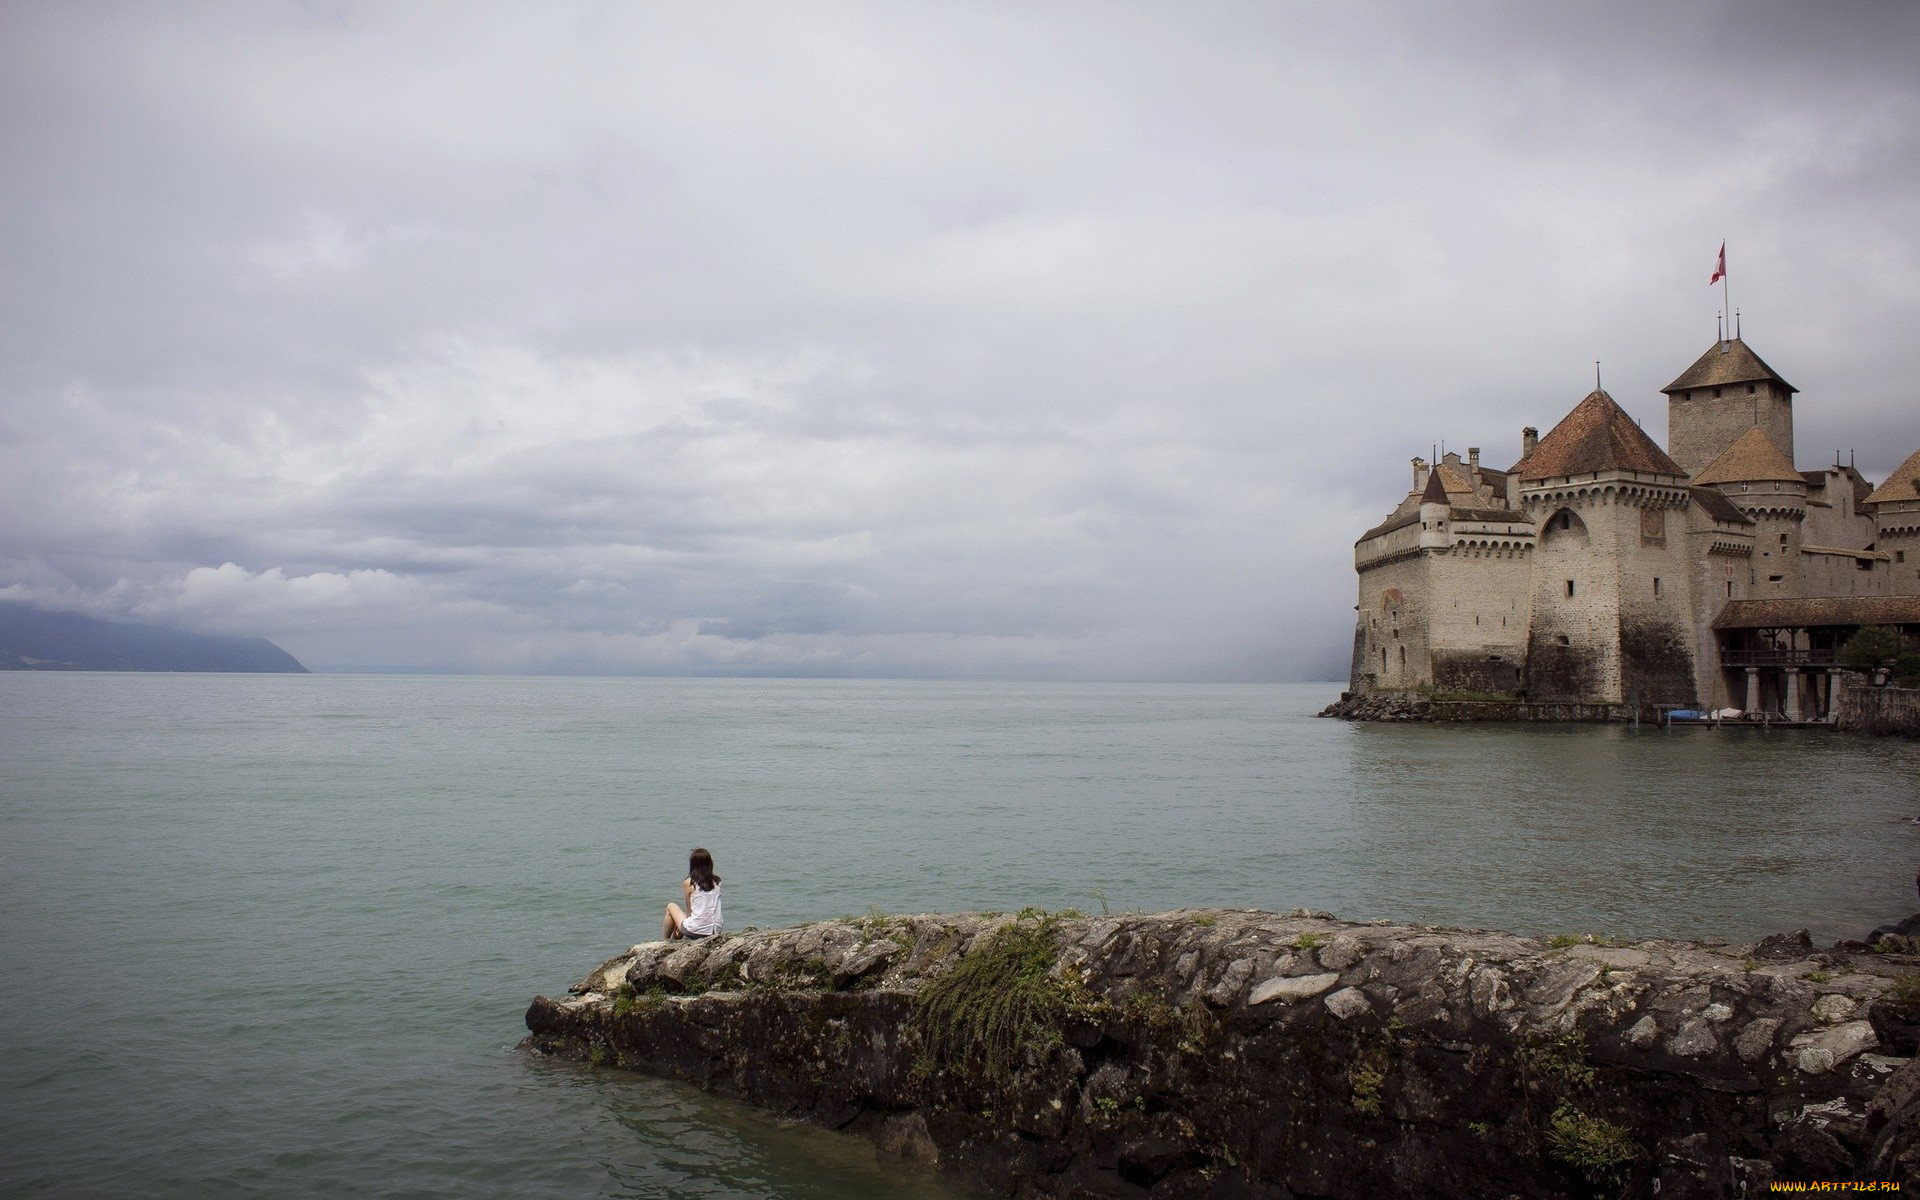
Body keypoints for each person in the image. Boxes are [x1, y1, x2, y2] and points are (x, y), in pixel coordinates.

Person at [663, 847, 723, 940]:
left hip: (696, 930)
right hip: (716, 930)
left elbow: (689, 911)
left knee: (671, 906)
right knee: (681, 923)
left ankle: (664, 941)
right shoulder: (718, 881)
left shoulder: (689, 883)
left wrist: (681, 928)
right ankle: (676, 940)